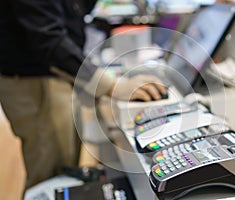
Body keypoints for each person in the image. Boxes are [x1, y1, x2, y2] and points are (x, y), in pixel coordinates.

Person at [0, 0, 166, 190]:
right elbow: (48, 40)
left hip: (55, 73)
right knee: (50, 178)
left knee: (65, 169)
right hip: (36, 80)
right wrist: (112, 86)